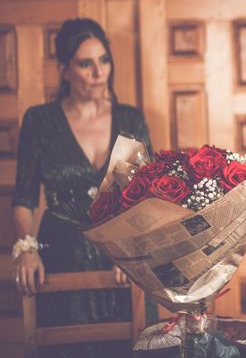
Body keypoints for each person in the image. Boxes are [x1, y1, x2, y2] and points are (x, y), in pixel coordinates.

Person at [12, 18, 153, 357]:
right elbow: (23, 198)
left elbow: (147, 197)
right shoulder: (39, 121)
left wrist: (130, 252)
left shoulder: (131, 118)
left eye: (104, 61)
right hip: (60, 258)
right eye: (85, 63)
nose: (98, 72)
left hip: (122, 262)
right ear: (64, 69)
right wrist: (27, 249)